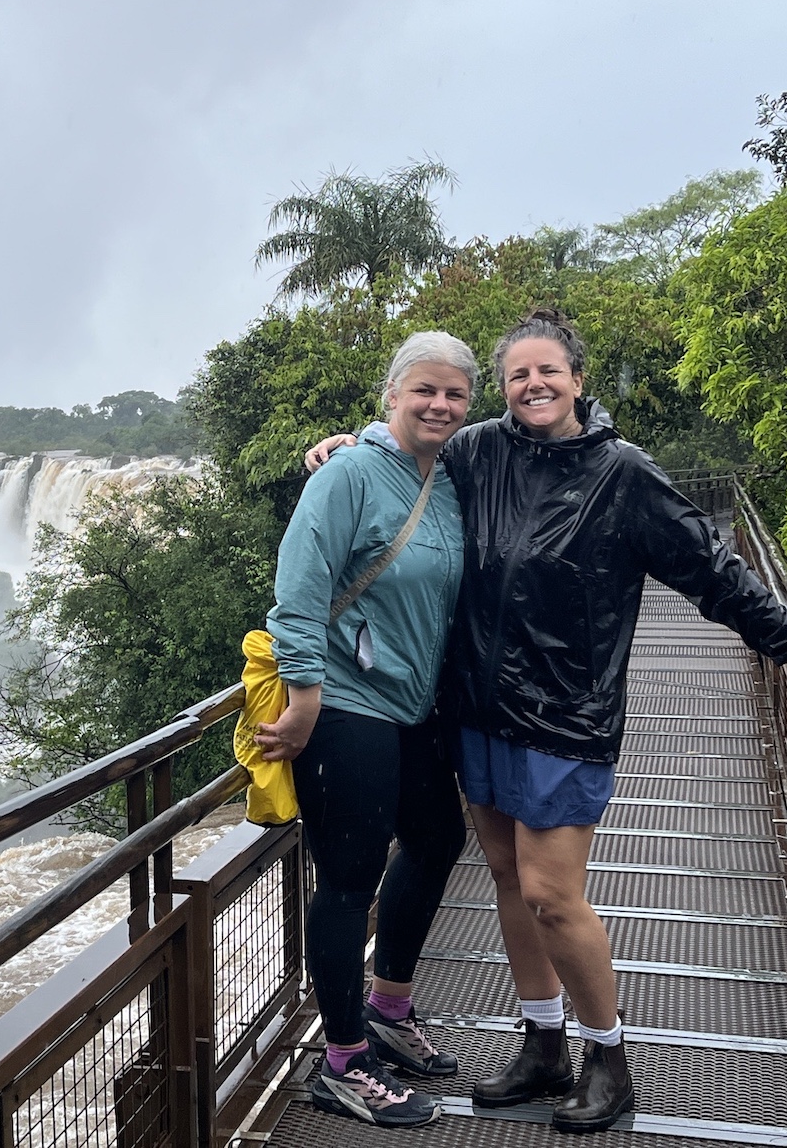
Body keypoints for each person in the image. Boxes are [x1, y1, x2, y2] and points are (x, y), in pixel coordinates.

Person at [305, 310, 787, 1134]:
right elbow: (405, 446)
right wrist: (344, 442)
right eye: (517, 376)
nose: (533, 386)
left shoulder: (623, 475)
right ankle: (543, 1047)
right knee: (507, 878)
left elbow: (718, 574)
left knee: (551, 893)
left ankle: (609, 1058)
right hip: (477, 710)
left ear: (578, 377)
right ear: (503, 389)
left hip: (568, 718)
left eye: (549, 372)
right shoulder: (478, 451)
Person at [256, 330, 477, 1129]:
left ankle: (388, 1005)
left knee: (436, 836)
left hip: (414, 707)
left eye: (454, 393)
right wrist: (307, 697)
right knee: (350, 877)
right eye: (425, 389)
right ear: (392, 393)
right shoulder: (348, 472)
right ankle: (343, 1061)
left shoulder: (450, 477)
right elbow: (298, 592)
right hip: (347, 704)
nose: (439, 405)